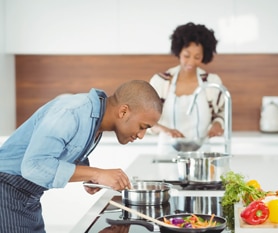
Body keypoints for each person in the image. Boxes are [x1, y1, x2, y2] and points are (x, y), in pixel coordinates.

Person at [0, 80, 162, 233]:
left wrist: (88, 174)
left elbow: (63, 151)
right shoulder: (71, 112)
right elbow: (33, 166)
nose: (141, 135)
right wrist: (96, 173)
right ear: (123, 111)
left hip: (28, 198)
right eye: (142, 127)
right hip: (6, 191)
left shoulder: (95, 119)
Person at [149, 22, 225, 153]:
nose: (191, 62)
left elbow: (222, 113)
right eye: (186, 56)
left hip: (202, 153)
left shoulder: (212, 82)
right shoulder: (160, 81)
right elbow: (146, 121)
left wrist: (217, 125)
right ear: (178, 52)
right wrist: (165, 130)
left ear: (204, 55)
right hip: (167, 153)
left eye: (197, 57)